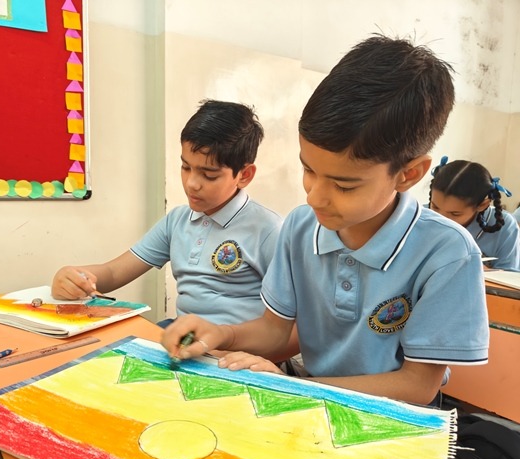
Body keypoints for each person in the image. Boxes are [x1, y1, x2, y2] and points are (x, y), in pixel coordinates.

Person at [161, 35, 490, 406]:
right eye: (308, 170)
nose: (314, 197)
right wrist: (221, 334)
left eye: (344, 185)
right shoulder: (301, 227)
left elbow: (417, 386)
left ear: (408, 174)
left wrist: (299, 389)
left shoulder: (447, 253)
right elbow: (275, 330)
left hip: (394, 418)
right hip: (313, 398)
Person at [52, 99, 283, 326]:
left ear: (244, 175)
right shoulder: (177, 221)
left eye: (209, 175)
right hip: (184, 338)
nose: (191, 183)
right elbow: (113, 273)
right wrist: (74, 278)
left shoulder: (268, 230)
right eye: (185, 167)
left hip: (237, 346)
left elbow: (290, 325)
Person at [428, 157, 520, 271]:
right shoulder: (419, 217)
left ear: (482, 205)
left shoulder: (505, 226)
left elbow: (509, 277)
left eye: (455, 214)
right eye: (435, 207)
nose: (441, 219)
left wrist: (478, 270)